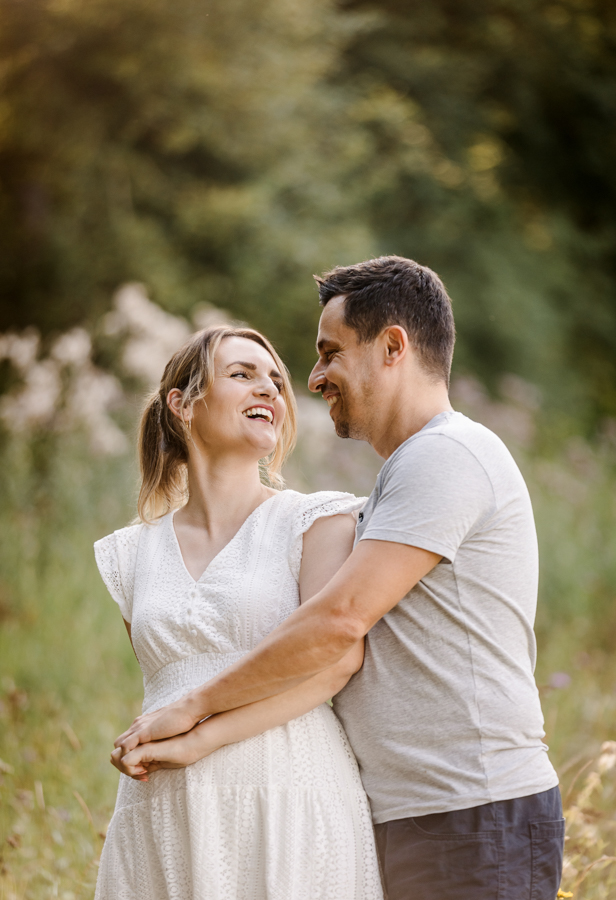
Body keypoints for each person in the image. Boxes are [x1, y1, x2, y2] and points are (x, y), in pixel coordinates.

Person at [116, 256, 565, 900]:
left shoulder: (447, 455)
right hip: (412, 815)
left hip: (473, 813)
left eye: (330, 353)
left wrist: (191, 712)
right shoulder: (401, 475)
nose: (313, 376)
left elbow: (338, 623)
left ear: (391, 347)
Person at [93, 325, 384, 900]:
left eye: (275, 380)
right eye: (242, 374)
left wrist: (204, 739)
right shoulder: (129, 554)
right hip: (166, 804)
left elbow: (335, 664)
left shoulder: (318, 520)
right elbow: (164, 682)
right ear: (181, 404)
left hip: (287, 791)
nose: (270, 391)